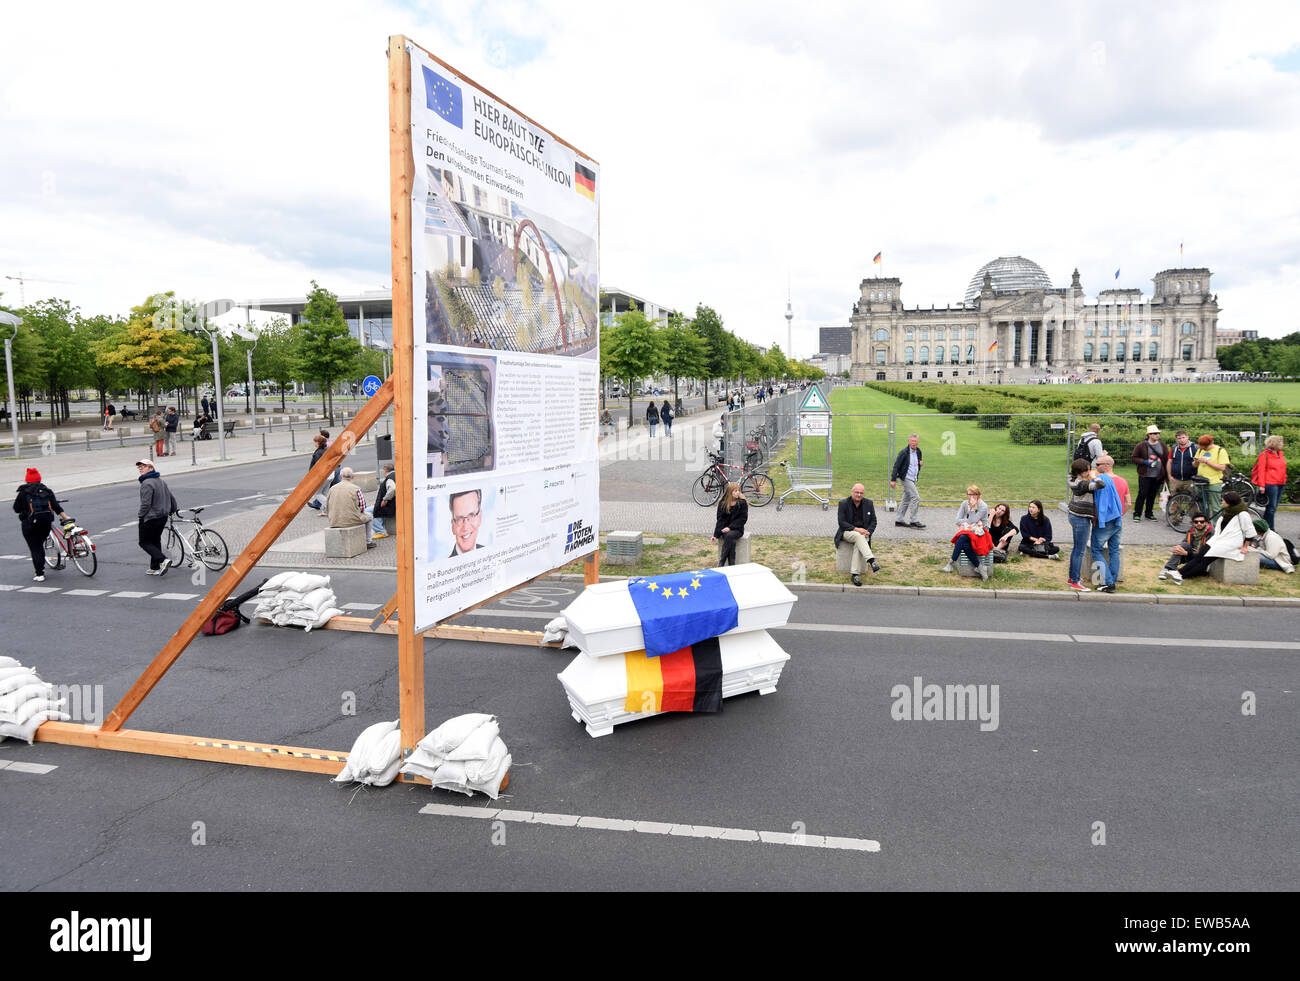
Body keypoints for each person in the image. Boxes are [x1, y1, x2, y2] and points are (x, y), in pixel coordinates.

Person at [1163, 491, 1257, 583]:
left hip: (1231, 542)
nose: (1222, 502)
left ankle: (1181, 575)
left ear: (1230, 502)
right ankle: (1178, 573)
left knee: (1205, 560)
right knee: (1200, 554)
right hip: (1218, 539)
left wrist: (1245, 546)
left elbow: (1250, 531)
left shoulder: (1243, 514)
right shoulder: (1227, 512)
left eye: (1223, 500)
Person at [12, 467, 70, 582]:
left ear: (27, 480)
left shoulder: (23, 493)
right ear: (39, 479)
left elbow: (16, 508)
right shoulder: (47, 491)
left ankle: (40, 574)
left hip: (30, 525)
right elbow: (56, 506)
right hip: (46, 523)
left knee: (35, 547)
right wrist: (66, 517)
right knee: (39, 544)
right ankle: (42, 566)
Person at [1089, 455, 1124, 593]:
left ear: (1106, 465)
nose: (1095, 467)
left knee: (1096, 550)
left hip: (1106, 521)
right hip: (1117, 520)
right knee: (1114, 551)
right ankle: (1112, 579)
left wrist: (1098, 520)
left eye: (1097, 464)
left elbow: (1101, 503)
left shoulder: (1101, 479)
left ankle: (1109, 583)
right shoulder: (1110, 479)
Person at [135, 460, 175, 576]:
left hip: (150, 517)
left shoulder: (147, 483)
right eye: (139, 467)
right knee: (155, 540)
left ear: (151, 468)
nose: (140, 469)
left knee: (144, 542)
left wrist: (141, 515)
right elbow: (171, 497)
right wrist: (172, 509)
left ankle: (163, 560)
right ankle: (155, 567)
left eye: (143, 467)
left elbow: (146, 504)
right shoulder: (161, 482)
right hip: (162, 516)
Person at [834, 482, 879, 586]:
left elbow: (874, 521)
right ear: (852, 492)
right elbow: (841, 522)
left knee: (859, 540)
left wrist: (869, 532)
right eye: (857, 492)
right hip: (847, 532)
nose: (859, 495)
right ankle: (871, 560)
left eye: (861, 493)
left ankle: (855, 575)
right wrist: (857, 529)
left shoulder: (868, 503)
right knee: (859, 536)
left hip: (863, 534)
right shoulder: (843, 503)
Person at [944, 485, 991, 580]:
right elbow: (957, 520)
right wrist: (967, 521)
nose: (970, 497)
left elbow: (972, 520)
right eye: (969, 494)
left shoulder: (983, 506)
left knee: (962, 538)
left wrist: (973, 508)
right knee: (965, 544)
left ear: (978, 495)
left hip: (981, 532)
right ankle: (980, 568)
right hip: (968, 530)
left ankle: (951, 563)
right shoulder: (964, 503)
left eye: (973, 494)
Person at [326, 467, 376, 549]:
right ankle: (368, 541)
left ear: (340, 476)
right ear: (352, 477)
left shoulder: (332, 489)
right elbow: (363, 507)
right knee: (369, 516)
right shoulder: (356, 489)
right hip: (351, 520)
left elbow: (327, 505)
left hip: (334, 520)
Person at [1130, 424, 1167, 522]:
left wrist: (1165, 475)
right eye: (1155, 433)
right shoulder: (1141, 445)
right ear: (1149, 435)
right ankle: (1137, 514)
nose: (1157, 435)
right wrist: (1145, 462)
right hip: (1145, 474)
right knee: (1142, 494)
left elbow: (1166, 459)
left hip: (1158, 475)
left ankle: (1149, 513)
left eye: (1158, 433)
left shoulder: (1162, 445)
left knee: (1152, 494)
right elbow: (1134, 458)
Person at [1251, 435, 1287, 531]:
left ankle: (1264, 526)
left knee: (1273, 508)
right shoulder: (1264, 455)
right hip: (1271, 483)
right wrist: (1261, 485)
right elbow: (1261, 471)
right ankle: (1271, 529)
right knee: (1271, 507)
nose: (1282, 444)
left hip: (1280, 483)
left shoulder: (1280, 454)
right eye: (1281, 442)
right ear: (1275, 444)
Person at [889, 433, 925, 529]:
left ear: (918, 442)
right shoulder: (903, 452)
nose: (914, 443)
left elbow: (919, 461)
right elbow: (896, 466)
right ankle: (913, 520)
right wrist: (893, 480)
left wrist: (920, 463)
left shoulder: (918, 451)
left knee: (906, 499)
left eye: (915, 441)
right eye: (912, 441)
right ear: (909, 442)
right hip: (905, 478)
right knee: (916, 498)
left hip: (913, 479)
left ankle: (899, 520)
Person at [712, 480, 748, 567]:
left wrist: (730, 528)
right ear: (730, 492)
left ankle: (722, 562)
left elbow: (742, 519)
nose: (737, 493)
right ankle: (732, 564)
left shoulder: (742, 503)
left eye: (738, 490)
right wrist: (715, 535)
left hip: (737, 529)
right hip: (725, 530)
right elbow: (720, 519)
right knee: (730, 539)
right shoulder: (723, 503)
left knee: (729, 536)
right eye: (735, 491)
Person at [1193, 433, 1230, 516]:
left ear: (1208, 445)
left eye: (1203, 446)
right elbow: (1195, 465)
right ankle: (1204, 524)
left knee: (1215, 507)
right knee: (1201, 505)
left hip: (1213, 482)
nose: (1201, 448)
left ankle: (1216, 526)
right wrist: (1196, 461)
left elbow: (1222, 467)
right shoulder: (1200, 450)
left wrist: (1206, 461)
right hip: (1200, 481)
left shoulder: (1220, 451)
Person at [448, 488, 484, 556]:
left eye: (471, 515)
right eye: (459, 519)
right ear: (453, 526)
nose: (465, 527)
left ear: (480, 518)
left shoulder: (488, 553)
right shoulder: (445, 566)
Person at [1167, 429, 1197, 497]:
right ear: (1176, 440)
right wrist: (1169, 475)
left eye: (1183, 437)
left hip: (1190, 479)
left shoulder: (1195, 448)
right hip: (1176, 479)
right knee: (1174, 499)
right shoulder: (1174, 448)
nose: (1182, 440)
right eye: (1179, 438)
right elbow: (1169, 462)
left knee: (1192, 500)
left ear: (1187, 437)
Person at [371, 462, 396, 539]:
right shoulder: (396, 475)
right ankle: (380, 528)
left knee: (368, 511)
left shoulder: (389, 478)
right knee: (375, 508)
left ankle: (380, 531)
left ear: (384, 470)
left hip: (390, 505)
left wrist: (385, 500)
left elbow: (393, 488)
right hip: (394, 503)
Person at [306, 434, 330, 511]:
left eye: (315, 442)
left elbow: (317, 467)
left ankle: (331, 508)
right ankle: (325, 511)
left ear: (319, 443)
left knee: (317, 494)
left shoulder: (318, 453)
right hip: (330, 475)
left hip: (322, 476)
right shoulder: (326, 449)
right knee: (324, 494)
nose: (314, 443)